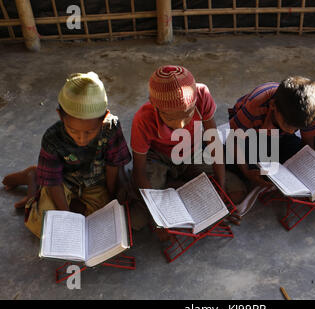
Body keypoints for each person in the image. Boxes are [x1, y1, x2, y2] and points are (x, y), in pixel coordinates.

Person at [2, 72, 131, 238]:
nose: (81, 138)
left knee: (102, 221)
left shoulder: (111, 127)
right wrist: (67, 216)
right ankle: (34, 177)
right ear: (60, 116)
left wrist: (113, 197)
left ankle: (46, 176)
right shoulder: (52, 138)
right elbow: (54, 184)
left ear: (104, 118)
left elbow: (114, 165)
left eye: (90, 131)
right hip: (62, 181)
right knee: (43, 226)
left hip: (94, 183)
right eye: (73, 130)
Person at [130, 65, 246, 231]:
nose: (181, 124)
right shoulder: (143, 119)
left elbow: (214, 143)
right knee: (139, 219)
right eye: (171, 118)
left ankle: (175, 185)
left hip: (193, 151)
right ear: (156, 107)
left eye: (188, 113)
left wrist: (220, 191)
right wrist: (158, 219)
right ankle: (175, 184)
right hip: (158, 159)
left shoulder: (201, 95)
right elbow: (139, 170)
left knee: (236, 192)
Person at [227, 76, 315, 187]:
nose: (292, 131)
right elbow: (234, 139)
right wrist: (246, 172)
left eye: (296, 128)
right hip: (251, 131)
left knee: (302, 155)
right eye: (288, 125)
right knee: (250, 167)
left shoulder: (308, 110)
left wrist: (306, 161)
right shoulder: (255, 106)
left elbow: (308, 141)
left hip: (278, 135)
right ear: (273, 105)